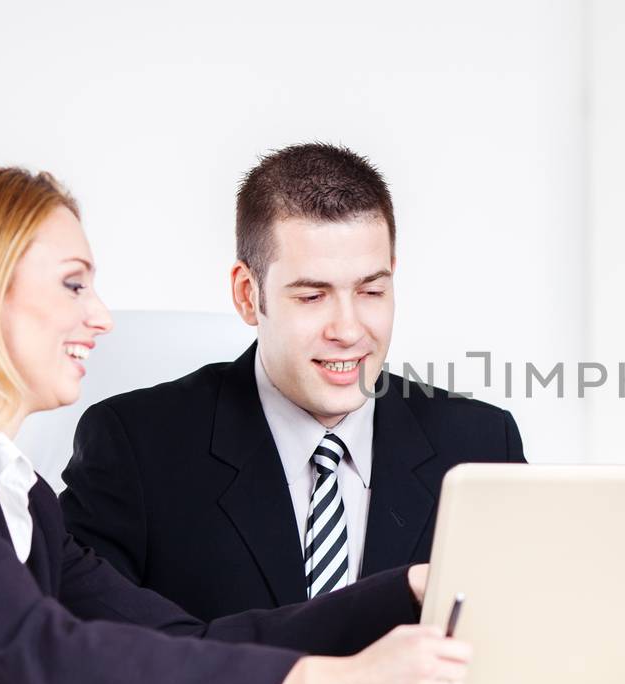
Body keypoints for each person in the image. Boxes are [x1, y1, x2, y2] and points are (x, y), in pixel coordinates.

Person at [0, 166, 472, 684]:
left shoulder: (9, 491)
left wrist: (406, 587)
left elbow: (190, 638)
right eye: (74, 284)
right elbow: (44, 654)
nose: (102, 318)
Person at [60, 143, 525, 620]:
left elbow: (526, 642)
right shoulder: (136, 449)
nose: (347, 330)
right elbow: (90, 663)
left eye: (371, 291)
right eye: (312, 296)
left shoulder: (483, 445)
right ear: (247, 294)